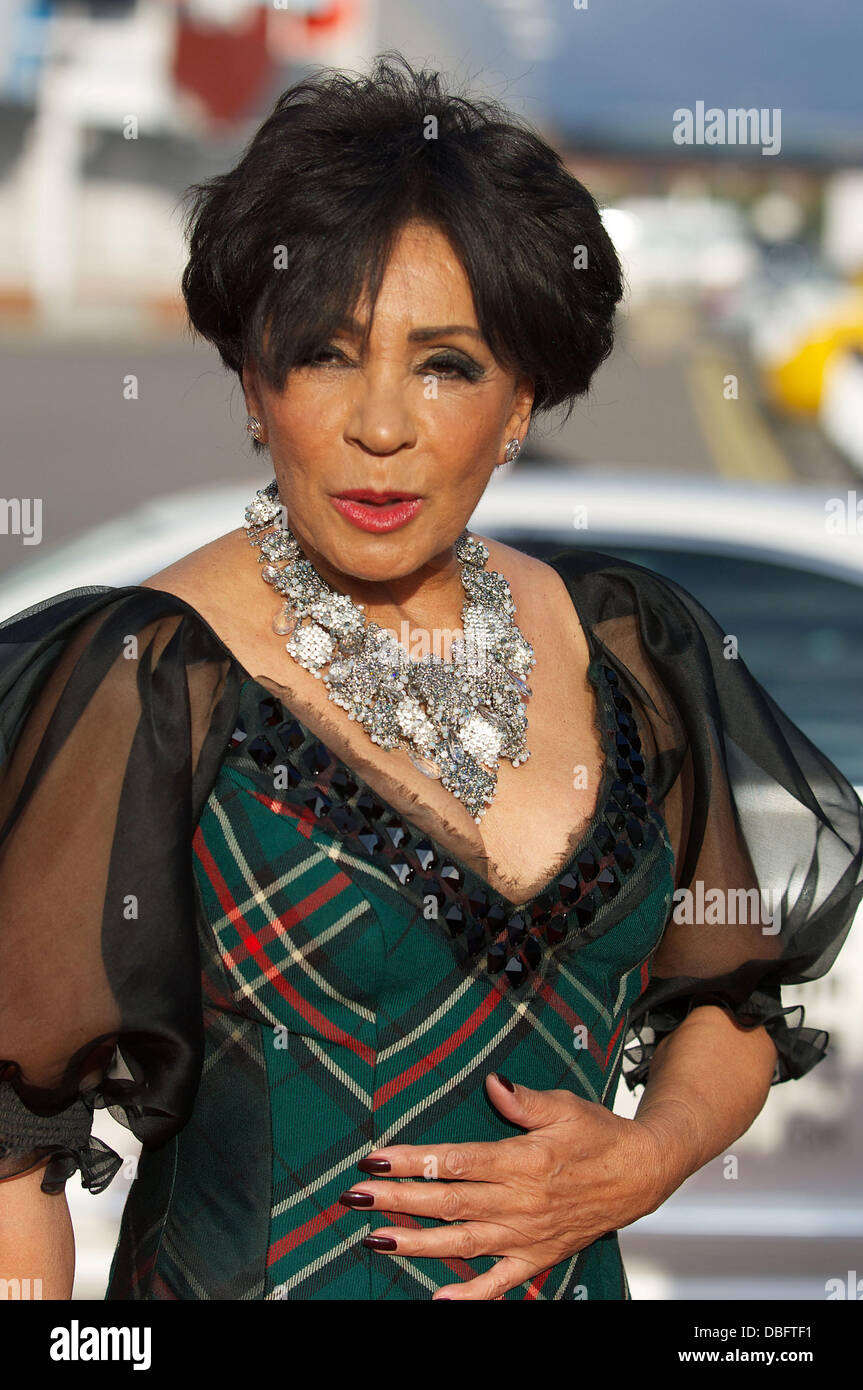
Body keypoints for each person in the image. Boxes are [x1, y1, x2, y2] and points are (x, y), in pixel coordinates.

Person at [1, 52, 861, 1303]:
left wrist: (647, 1154)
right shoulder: (146, 673)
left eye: (447, 364)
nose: (382, 425)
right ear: (254, 384)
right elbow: (11, 1165)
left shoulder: (626, 644)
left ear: (519, 403)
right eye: (326, 355)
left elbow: (723, 1001)